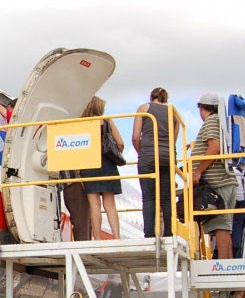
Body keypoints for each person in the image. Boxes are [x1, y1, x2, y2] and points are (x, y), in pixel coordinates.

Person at [190, 93, 238, 259]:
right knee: (224, 227)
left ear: (201, 108)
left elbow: (214, 147)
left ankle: (225, 267)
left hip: (217, 183)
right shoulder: (222, 121)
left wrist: (198, 171)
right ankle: (228, 264)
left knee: (220, 227)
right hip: (225, 181)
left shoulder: (211, 121)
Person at [133, 88, 182, 238]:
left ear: (151, 96)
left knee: (149, 197)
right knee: (167, 198)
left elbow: (135, 137)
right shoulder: (174, 113)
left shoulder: (144, 108)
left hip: (148, 155)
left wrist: (142, 152)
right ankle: (168, 233)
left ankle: (149, 234)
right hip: (167, 157)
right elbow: (173, 141)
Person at [77, 97, 124, 240]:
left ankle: (97, 238)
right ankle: (116, 237)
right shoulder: (108, 121)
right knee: (109, 204)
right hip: (108, 163)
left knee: (94, 204)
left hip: (88, 164)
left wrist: (79, 172)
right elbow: (120, 143)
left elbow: (78, 149)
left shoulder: (81, 124)